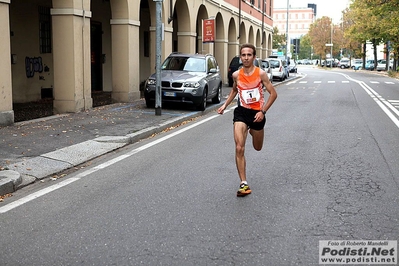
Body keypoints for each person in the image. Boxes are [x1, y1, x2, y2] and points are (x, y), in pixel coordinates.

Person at [218, 43, 277, 197]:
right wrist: (224, 105)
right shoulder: (236, 75)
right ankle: (243, 183)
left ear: (254, 57)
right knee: (239, 147)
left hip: (257, 114)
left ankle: (252, 131)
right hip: (241, 113)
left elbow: (273, 94)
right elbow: (233, 91)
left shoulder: (261, 74)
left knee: (257, 147)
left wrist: (263, 112)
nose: (245, 58)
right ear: (240, 57)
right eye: (243, 55)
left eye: (249, 55)